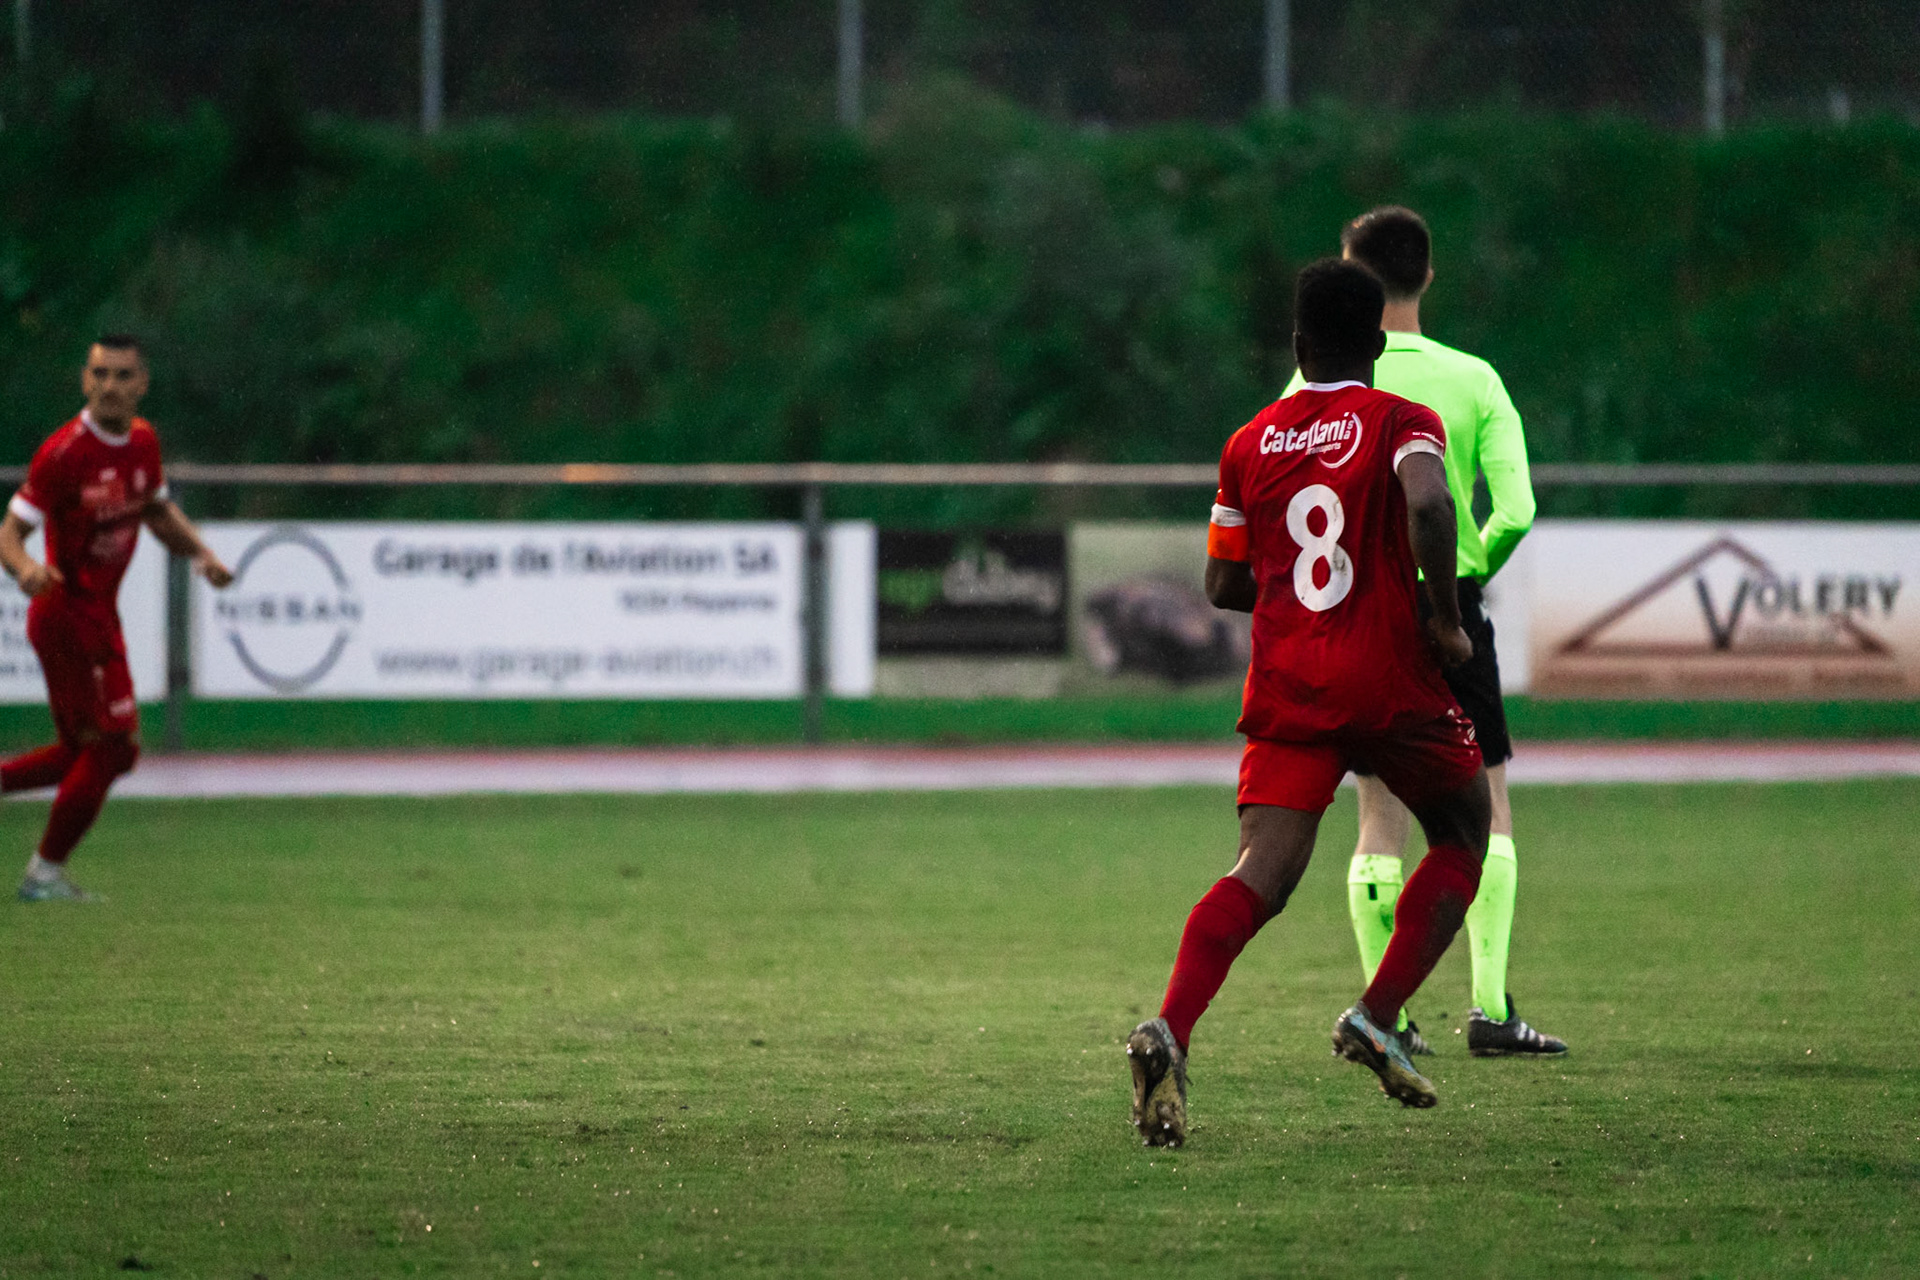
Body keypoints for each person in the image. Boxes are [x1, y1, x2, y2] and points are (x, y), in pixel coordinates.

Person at [1126, 259, 1492, 1147]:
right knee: (1463, 832)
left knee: (1261, 871)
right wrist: (1443, 620)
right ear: (1377, 345)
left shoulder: (1249, 441)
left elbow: (1220, 581)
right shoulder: (1403, 419)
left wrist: (1293, 599)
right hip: (1388, 675)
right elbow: (1432, 503)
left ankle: (1169, 1028)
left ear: (1296, 346)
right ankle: (1376, 1014)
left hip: (1291, 677)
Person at [1286, 207, 1564, 1057]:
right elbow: (1515, 509)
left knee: (1378, 816)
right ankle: (1489, 1008)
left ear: (1351, 275)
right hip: (1452, 608)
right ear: (1428, 275)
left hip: (1360, 613)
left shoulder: (1312, 388)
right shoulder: (1474, 378)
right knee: (1488, 803)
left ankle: (1393, 1015)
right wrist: (1468, 567)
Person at [0, 335, 233, 902]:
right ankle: (44, 875)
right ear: (85, 379)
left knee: (88, 753)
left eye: (122, 375)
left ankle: (44, 873)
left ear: (141, 384)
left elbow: (154, 509)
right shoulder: (64, 453)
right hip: (66, 615)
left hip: (99, 617)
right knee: (111, 750)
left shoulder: (143, 442)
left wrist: (200, 552)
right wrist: (26, 567)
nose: (110, 385)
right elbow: (9, 533)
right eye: (100, 373)